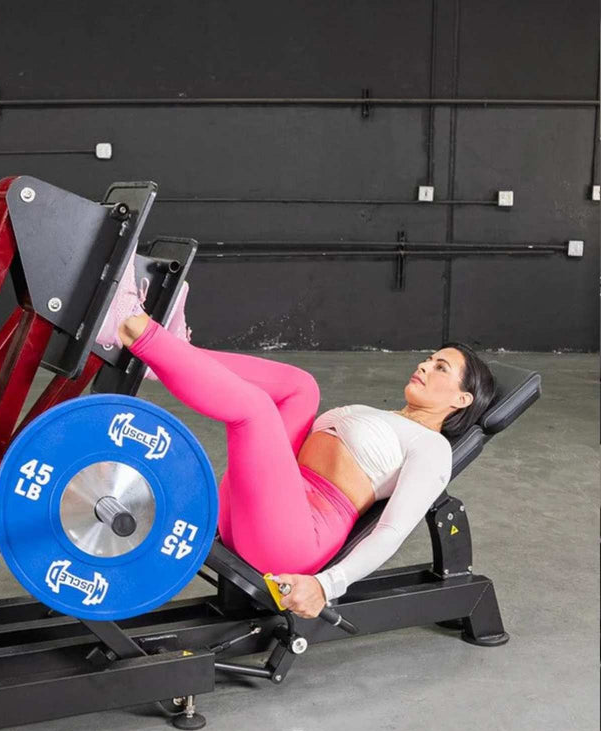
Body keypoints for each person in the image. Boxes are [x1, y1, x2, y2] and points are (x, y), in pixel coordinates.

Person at [95, 261, 496, 620]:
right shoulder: (390, 418)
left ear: (462, 400)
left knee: (256, 409)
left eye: (440, 367)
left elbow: (391, 530)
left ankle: (134, 328)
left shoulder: (433, 448)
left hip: (295, 537)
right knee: (301, 388)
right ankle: (175, 351)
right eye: (429, 358)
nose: (425, 365)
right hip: (264, 508)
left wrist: (327, 585)